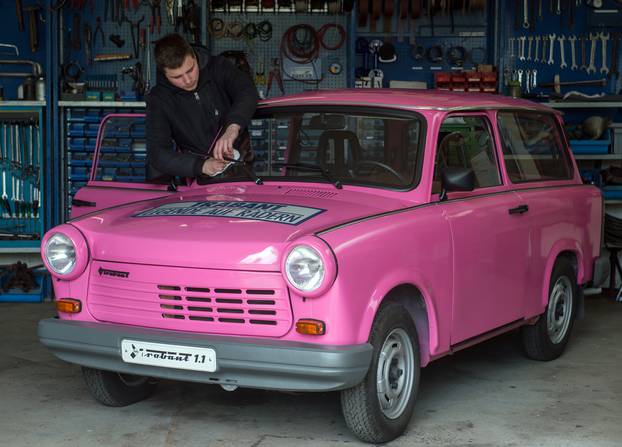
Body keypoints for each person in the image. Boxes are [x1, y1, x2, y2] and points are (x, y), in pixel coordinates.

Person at [146, 33, 259, 180]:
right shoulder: (158, 99)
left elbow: (247, 90)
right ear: (164, 73)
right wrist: (201, 166)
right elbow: (158, 153)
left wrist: (233, 128)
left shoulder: (218, 66)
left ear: (194, 56)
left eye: (190, 70)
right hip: (201, 177)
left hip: (245, 163)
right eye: (177, 77)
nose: (187, 80)